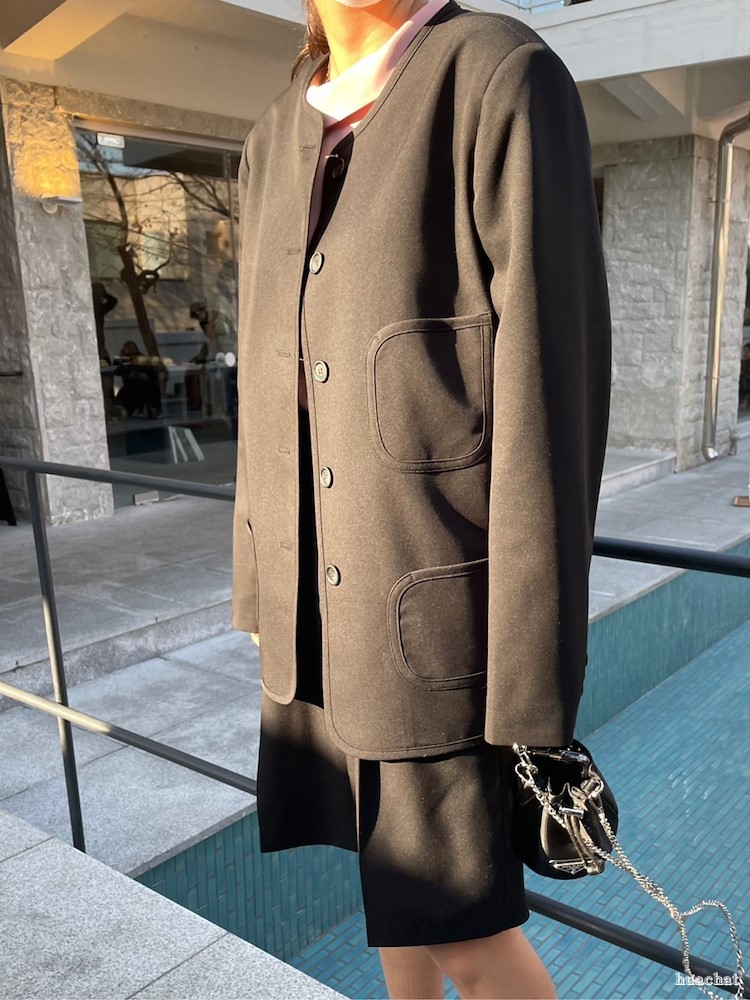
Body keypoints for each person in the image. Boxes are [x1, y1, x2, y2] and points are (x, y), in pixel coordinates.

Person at [231, 2, 612, 997]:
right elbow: (261, 387)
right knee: (388, 892)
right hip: (316, 617)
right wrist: (261, 591)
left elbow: (550, 398)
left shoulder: (497, 76)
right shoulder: (274, 137)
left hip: (441, 633)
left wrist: (532, 684)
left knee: (472, 944)